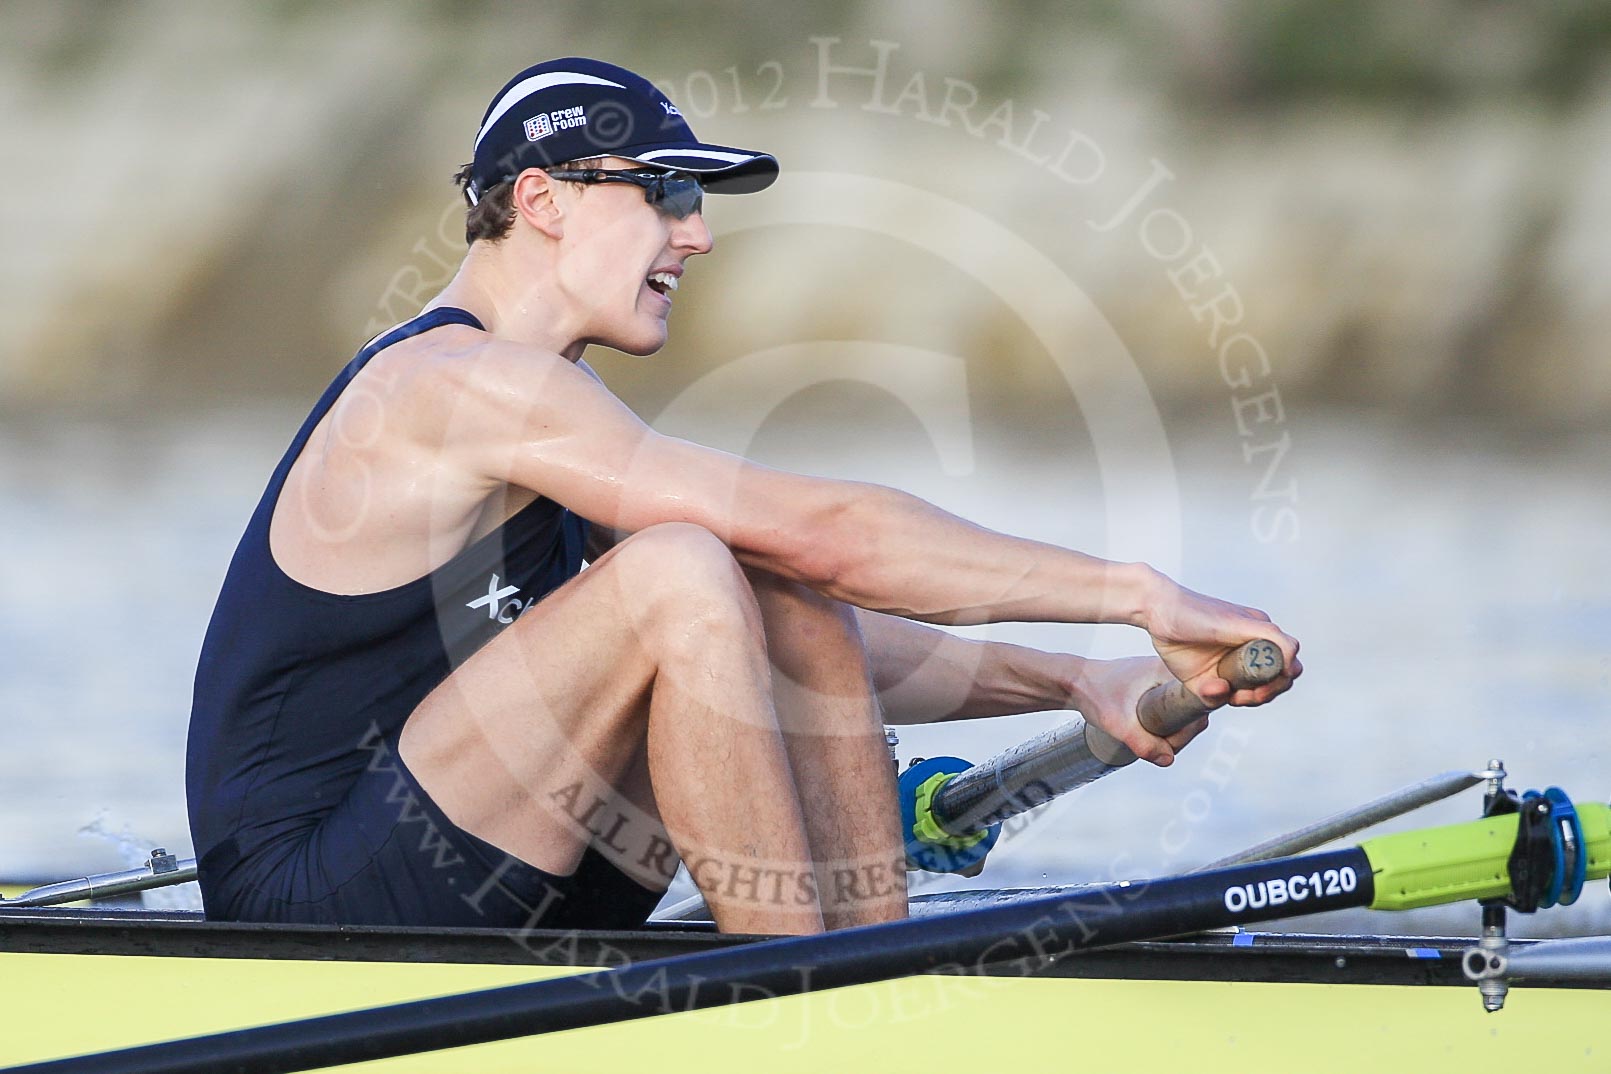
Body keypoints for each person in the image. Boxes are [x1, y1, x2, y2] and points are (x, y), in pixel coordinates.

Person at [186, 58, 1300, 937]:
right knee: (688, 567)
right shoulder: (452, 386)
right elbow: (838, 532)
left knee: (766, 579)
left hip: (501, 861)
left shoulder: (556, 407)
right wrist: (1141, 595)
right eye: (667, 192)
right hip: (320, 896)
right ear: (544, 199)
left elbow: (791, 595)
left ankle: (859, 968)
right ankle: (800, 1008)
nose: (700, 231)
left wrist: (1076, 679)